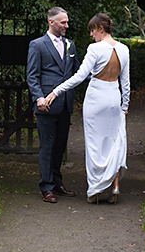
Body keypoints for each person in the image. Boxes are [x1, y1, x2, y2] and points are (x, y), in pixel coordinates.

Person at [45, 13, 130, 204]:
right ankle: (115, 185)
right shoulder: (124, 49)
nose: (91, 35)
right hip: (114, 97)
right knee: (114, 142)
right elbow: (126, 82)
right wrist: (125, 105)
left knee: (94, 144)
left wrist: (55, 91)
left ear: (100, 28)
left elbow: (79, 76)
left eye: (92, 30)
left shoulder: (95, 49)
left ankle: (95, 190)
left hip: (96, 99)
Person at [26, 7, 81, 204]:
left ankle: (58, 183)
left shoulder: (70, 45)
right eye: (63, 22)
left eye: (67, 22)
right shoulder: (37, 45)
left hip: (65, 103)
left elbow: (78, 72)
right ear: (51, 22)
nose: (67, 25)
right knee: (47, 147)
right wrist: (38, 98)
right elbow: (32, 76)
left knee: (60, 146)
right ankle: (46, 186)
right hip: (46, 106)